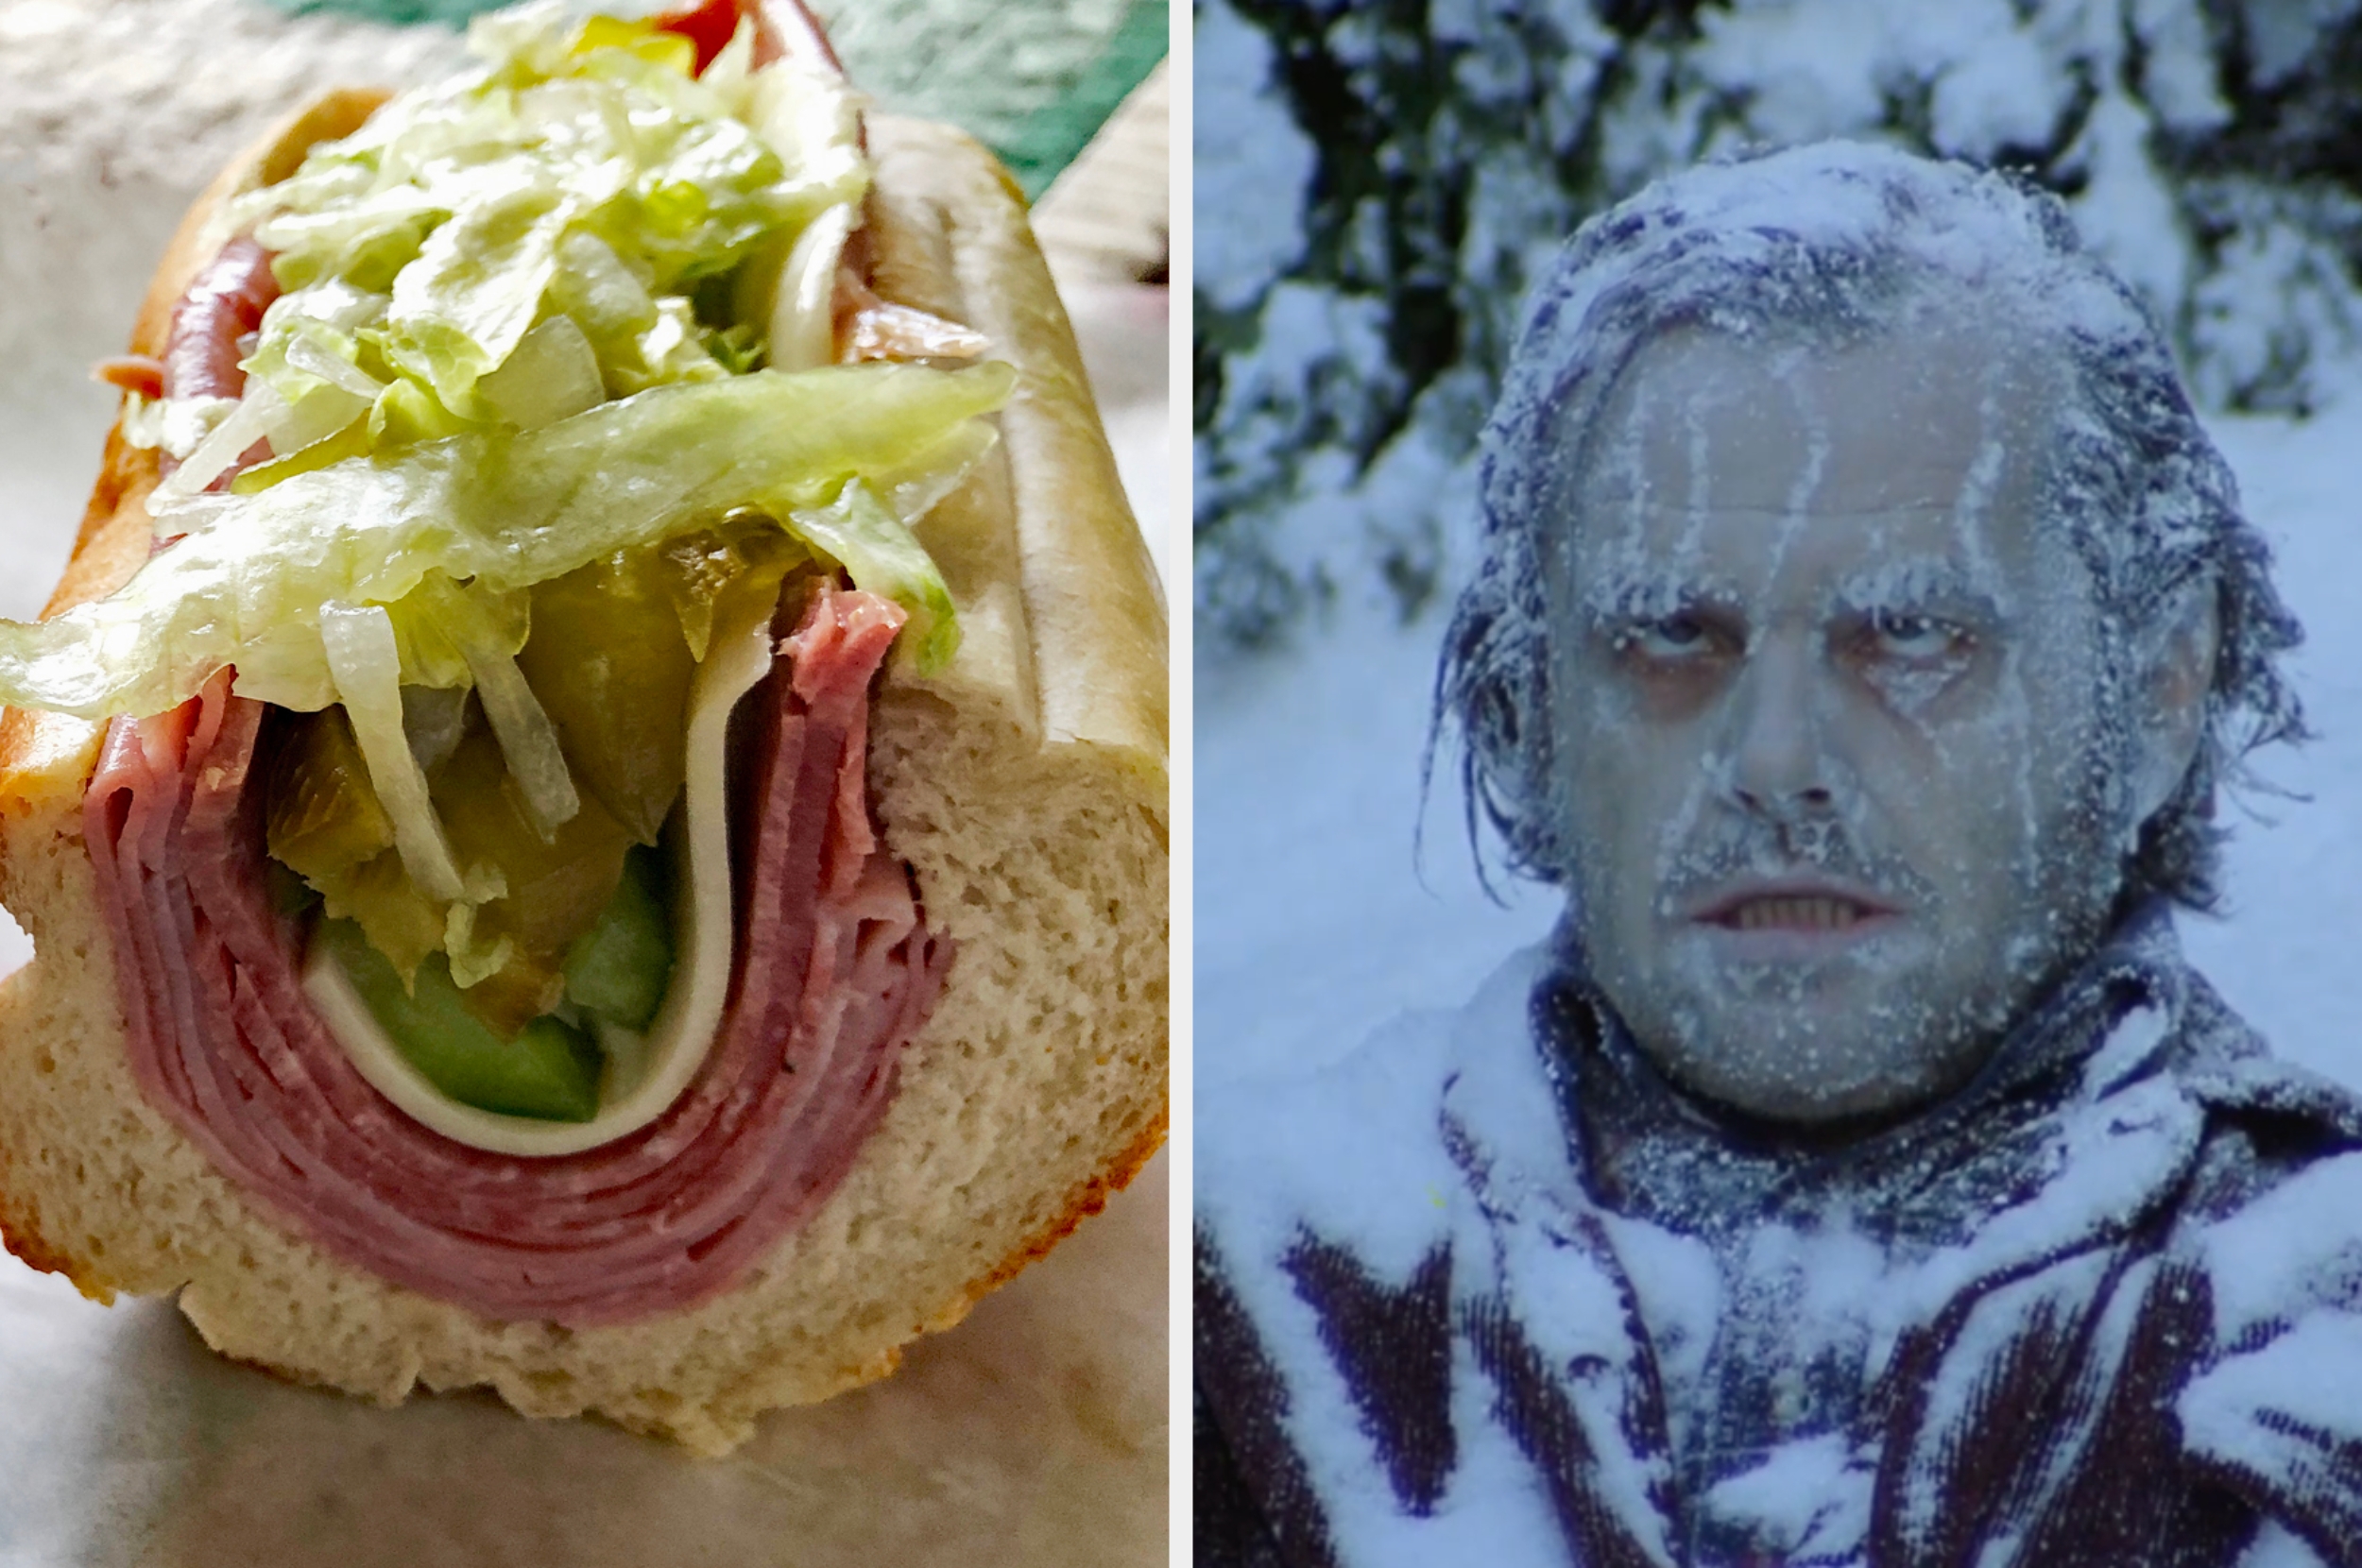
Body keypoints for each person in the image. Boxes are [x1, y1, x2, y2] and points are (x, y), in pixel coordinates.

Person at [1194, 142, 2362, 1568]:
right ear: (1528, 708)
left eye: (1913, 634)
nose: (1774, 760)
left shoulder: (2325, 1345)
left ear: (2160, 691)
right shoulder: (1218, 1321)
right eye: (1672, 635)